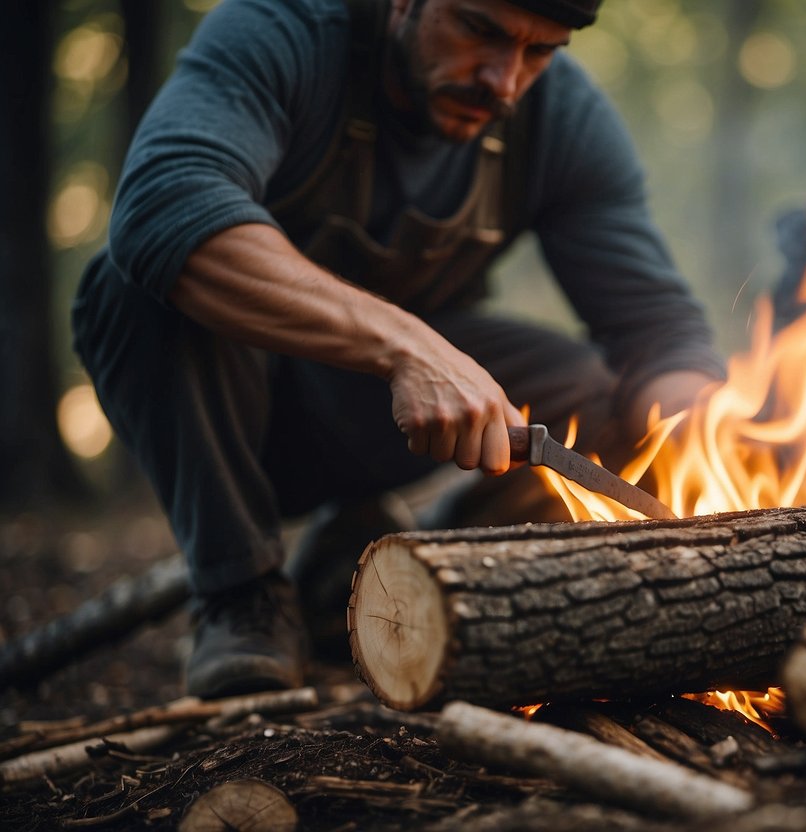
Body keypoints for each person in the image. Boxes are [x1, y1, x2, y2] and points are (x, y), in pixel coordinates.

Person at [71, 0, 724, 699]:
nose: (504, 82)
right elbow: (165, 202)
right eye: (481, 31)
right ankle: (242, 594)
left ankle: (399, 568)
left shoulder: (562, 119)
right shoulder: (282, 29)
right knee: (132, 283)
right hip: (221, 409)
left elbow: (658, 330)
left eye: (540, 52)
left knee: (591, 389)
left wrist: (717, 448)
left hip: (378, 425)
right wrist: (407, 348)